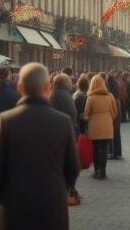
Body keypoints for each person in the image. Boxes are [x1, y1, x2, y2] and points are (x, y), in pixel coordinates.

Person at [0, 62, 79, 230]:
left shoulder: (6, 120)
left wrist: (5, 197)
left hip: (14, 211)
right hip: (52, 210)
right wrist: (59, 191)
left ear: (19, 87)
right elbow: (73, 168)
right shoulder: (63, 122)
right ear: (47, 87)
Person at [50, 74, 81, 205]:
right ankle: (71, 189)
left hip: (60, 133)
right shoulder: (67, 95)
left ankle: (66, 190)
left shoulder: (54, 95)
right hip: (71, 131)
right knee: (69, 161)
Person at [84, 74, 119, 179]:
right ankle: (103, 171)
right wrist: (109, 118)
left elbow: (86, 114)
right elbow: (115, 111)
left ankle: (97, 170)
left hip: (94, 125)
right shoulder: (110, 96)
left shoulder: (90, 97)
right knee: (104, 148)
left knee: (96, 148)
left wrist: (87, 120)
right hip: (107, 124)